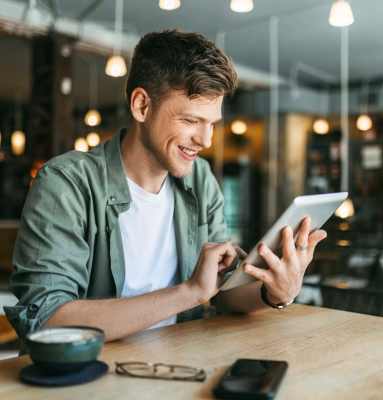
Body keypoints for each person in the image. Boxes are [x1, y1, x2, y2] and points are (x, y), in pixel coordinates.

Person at [5, 30, 326, 345]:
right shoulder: (66, 183)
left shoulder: (201, 180)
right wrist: (188, 293)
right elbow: (47, 318)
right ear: (142, 105)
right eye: (190, 121)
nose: (205, 140)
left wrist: (273, 292)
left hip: (177, 370)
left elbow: (223, 293)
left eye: (211, 123)